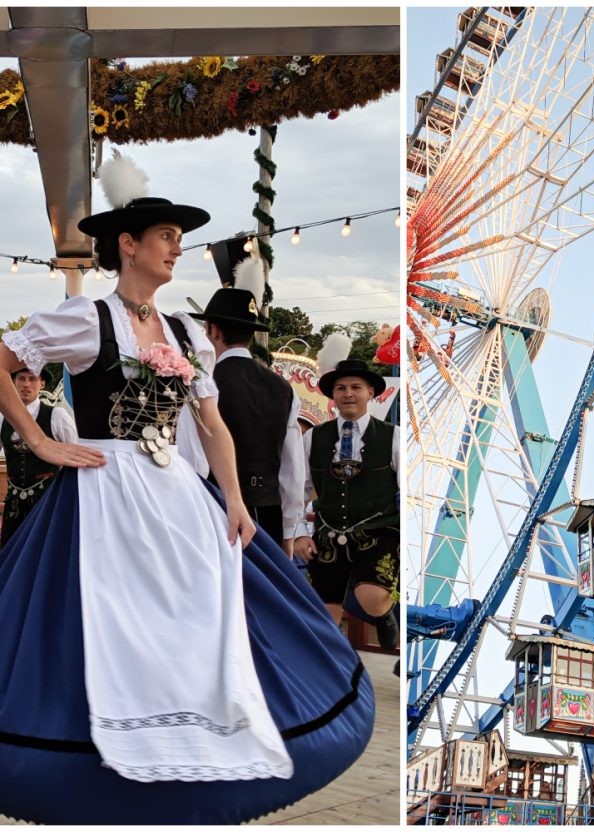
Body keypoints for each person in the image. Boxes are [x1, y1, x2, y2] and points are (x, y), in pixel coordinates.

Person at [0, 151, 373, 824]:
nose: (177, 247)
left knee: (198, 610)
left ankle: (197, 738)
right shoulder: (86, 318)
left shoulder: (183, 332)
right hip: (105, 488)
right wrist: (39, 439)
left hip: (174, 489)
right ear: (128, 245)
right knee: (106, 616)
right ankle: (102, 759)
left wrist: (231, 499)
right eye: (166, 236)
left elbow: (214, 424)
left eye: (177, 237)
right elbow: (3, 361)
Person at [192, 253, 305, 554]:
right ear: (252, 334)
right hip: (268, 513)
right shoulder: (284, 389)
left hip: (217, 506)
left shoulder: (204, 384)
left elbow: (194, 457)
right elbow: (293, 471)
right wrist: (290, 530)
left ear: (213, 330)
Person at [293, 354, 400, 651]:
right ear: (332, 395)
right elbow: (298, 490)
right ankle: (337, 666)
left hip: (379, 530)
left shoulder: (393, 437)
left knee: (372, 597)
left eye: (356, 387)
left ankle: (384, 613)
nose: (348, 394)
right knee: (325, 618)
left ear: (370, 393)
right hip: (329, 531)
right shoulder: (313, 438)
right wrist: (301, 532)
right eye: (341, 388)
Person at [0, 364, 77, 547]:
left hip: (48, 501)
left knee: (45, 549)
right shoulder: (3, 418)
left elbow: (74, 457)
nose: (26, 384)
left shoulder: (56, 415)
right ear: (12, 382)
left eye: (32, 379)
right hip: (13, 505)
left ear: (42, 384)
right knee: (9, 553)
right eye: (21, 379)